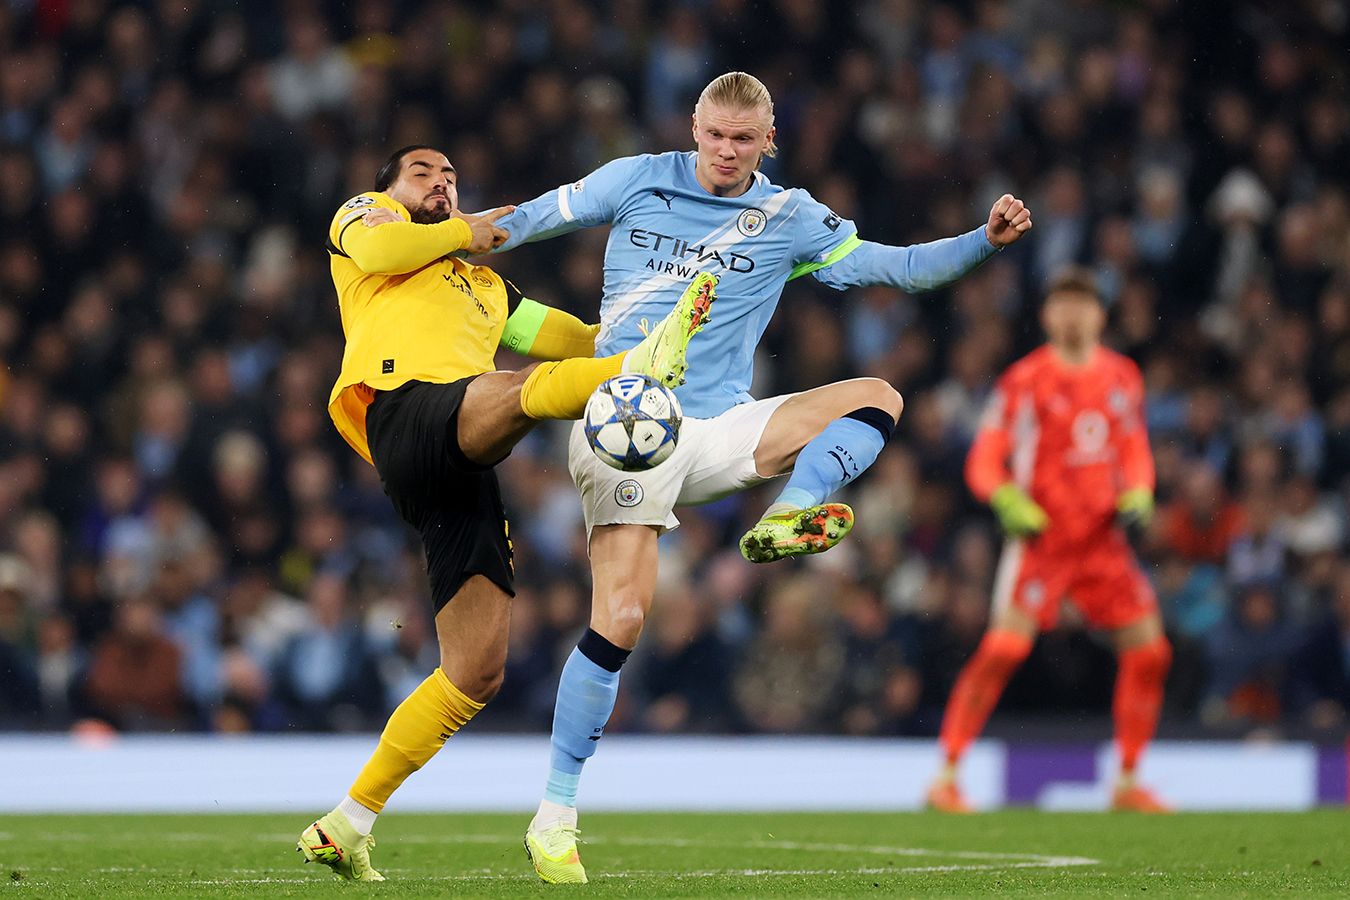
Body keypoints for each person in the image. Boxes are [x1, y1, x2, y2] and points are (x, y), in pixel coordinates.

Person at [492, 72, 1033, 883]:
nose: (725, 151)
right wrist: (443, 240)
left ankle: (792, 511)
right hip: (628, 418)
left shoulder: (789, 216)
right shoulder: (636, 178)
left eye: (742, 139)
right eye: (714, 134)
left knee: (877, 396)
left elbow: (902, 268)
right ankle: (555, 816)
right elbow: (533, 217)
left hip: (721, 428)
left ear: (767, 142)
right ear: (694, 127)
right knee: (624, 618)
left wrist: (983, 239)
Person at [295, 144, 717, 882]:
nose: (441, 183)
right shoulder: (368, 219)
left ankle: (348, 821)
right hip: (404, 412)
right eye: (423, 173)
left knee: (474, 673)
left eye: (451, 178)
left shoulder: (488, 286)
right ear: (389, 186)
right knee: (523, 389)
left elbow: (571, 339)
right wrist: (469, 228)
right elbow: (386, 250)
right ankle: (636, 374)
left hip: (458, 457)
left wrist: (652, 325)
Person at [926, 265, 1172, 815]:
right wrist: (1006, 499)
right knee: (1004, 649)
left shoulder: (1123, 376)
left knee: (1150, 652)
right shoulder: (1025, 380)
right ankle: (946, 775)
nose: (1072, 314)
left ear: (1100, 315)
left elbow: (1134, 447)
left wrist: (1139, 491)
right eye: (1063, 304)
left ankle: (1128, 781)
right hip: (1044, 541)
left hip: (1102, 541)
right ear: (1046, 315)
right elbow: (984, 458)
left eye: (1082, 304)